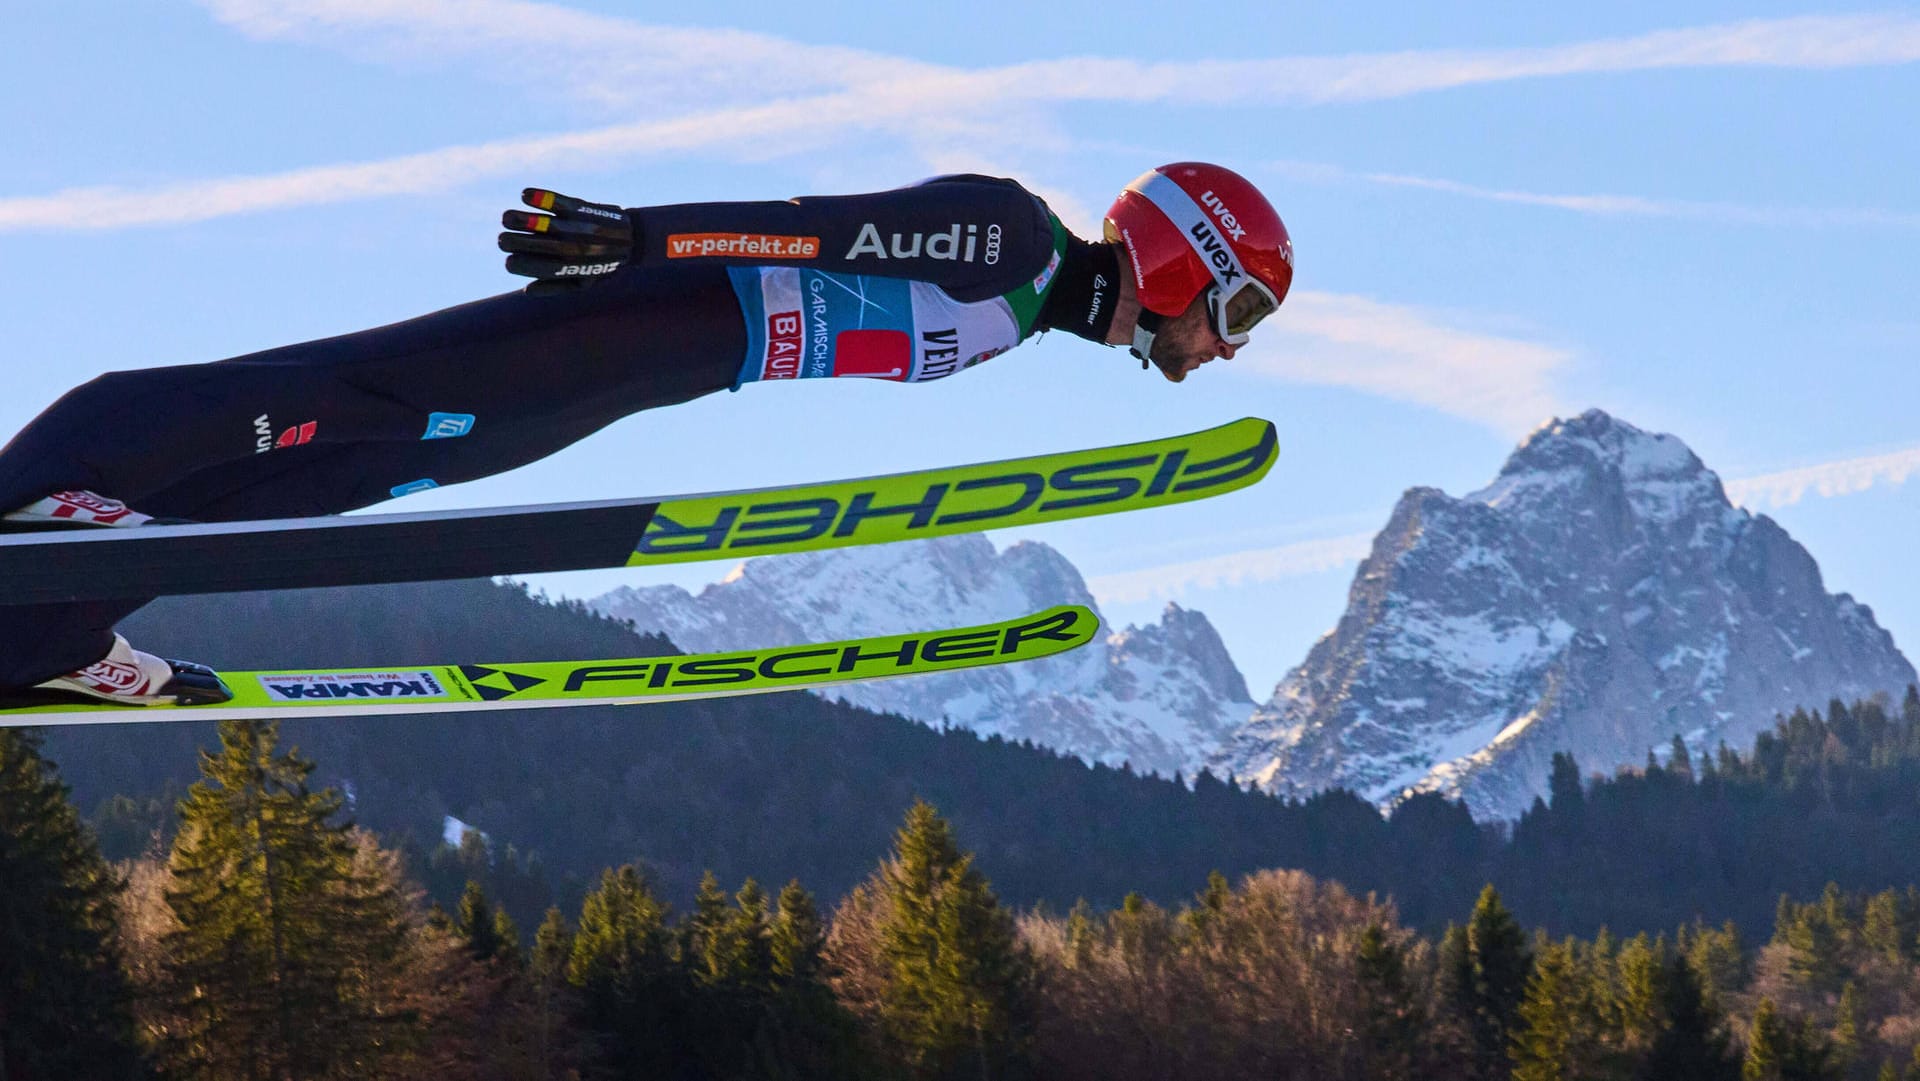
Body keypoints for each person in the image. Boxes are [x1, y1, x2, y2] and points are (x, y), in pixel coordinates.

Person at [0, 162, 1293, 705]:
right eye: (1234, 306)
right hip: (641, 322)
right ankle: (68, 481)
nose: (1225, 343)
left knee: (356, 471)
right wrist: (640, 238)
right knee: (350, 396)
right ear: (1188, 256)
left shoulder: (1024, 314)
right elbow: (812, 227)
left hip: (662, 372)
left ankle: (50, 620)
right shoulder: (1013, 241)